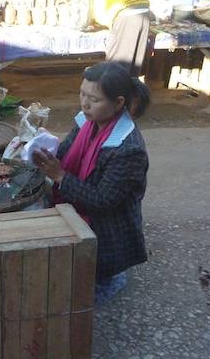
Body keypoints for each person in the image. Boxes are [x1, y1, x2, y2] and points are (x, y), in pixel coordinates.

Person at [32, 62, 150, 305]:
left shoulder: (129, 149)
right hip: (83, 201)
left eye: (93, 99)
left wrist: (61, 176)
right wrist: (39, 151)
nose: (84, 103)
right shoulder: (87, 121)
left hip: (110, 224)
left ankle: (110, 277)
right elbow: (64, 152)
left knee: (82, 294)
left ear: (118, 103)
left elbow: (103, 200)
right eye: (82, 94)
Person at [72, 0, 152, 76]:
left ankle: (114, 90)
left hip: (127, 13)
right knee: (134, 61)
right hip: (144, 10)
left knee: (118, 61)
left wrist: (79, 26)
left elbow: (84, 17)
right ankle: (129, 88)